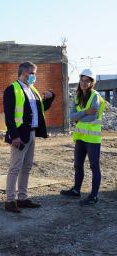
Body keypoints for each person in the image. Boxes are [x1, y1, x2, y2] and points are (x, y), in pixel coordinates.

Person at [3, 61, 55, 213]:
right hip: (19, 135)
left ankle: (23, 198)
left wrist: (50, 98)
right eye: (33, 73)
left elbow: (40, 109)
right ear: (24, 73)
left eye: (35, 73)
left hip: (32, 133)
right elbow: (9, 116)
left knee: (26, 167)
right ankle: (10, 201)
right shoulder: (12, 89)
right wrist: (14, 136)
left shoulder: (32, 90)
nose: (34, 76)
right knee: (15, 168)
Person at [60, 69, 105, 206]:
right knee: (78, 165)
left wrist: (79, 117)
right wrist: (85, 112)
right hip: (80, 136)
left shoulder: (95, 96)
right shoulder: (77, 97)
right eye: (82, 80)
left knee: (94, 166)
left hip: (92, 139)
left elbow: (93, 117)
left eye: (87, 81)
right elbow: (70, 117)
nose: (84, 83)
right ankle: (76, 190)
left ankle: (93, 196)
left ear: (92, 83)